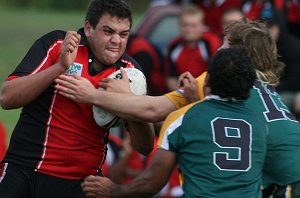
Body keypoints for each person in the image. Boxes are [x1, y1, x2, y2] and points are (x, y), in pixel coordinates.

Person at [55, 20, 300, 197]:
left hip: (284, 186)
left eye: (225, 44)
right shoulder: (261, 86)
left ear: (238, 52)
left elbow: (152, 110)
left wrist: (92, 95)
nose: (218, 49)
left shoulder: (224, 74)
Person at [0, 0, 154, 197]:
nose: (117, 41)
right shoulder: (59, 44)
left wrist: (130, 101)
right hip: (24, 168)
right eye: (108, 31)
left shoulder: (130, 73)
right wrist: (59, 68)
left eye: (123, 34)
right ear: (88, 28)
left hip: (82, 182)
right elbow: (7, 98)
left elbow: (145, 147)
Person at [81, 47, 266, 197]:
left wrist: (115, 190)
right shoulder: (260, 123)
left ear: (207, 79)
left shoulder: (182, 119)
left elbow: (151, 183)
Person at [165, 5, 221, 91]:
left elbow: (216, 75)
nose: (188, 29)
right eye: (184, 25)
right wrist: (182, 93)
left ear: (203, 26)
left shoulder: (210, 43)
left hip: (206, 92)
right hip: (182, 93)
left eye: (193, 25)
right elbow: (171, 79)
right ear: (179, 25)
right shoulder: (174, 46)